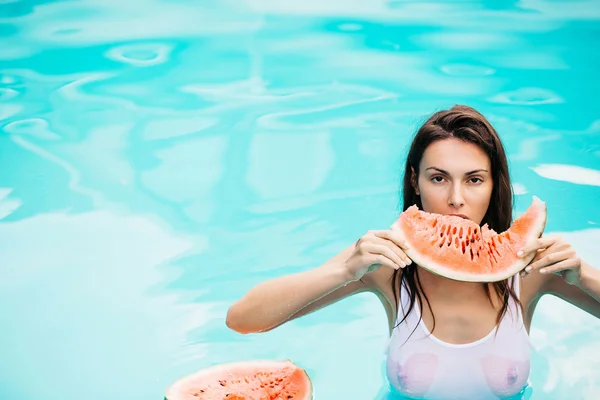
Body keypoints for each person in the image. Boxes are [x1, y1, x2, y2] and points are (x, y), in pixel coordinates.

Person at [225, 105, 600, 399]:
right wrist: (342, 272)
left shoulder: (530, 269)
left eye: (474, 180)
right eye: (438, 178)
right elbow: (243, 319)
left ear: (494, 184)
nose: (456, 200)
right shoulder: (385, 264)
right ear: (414, 182)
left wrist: (583, 275)